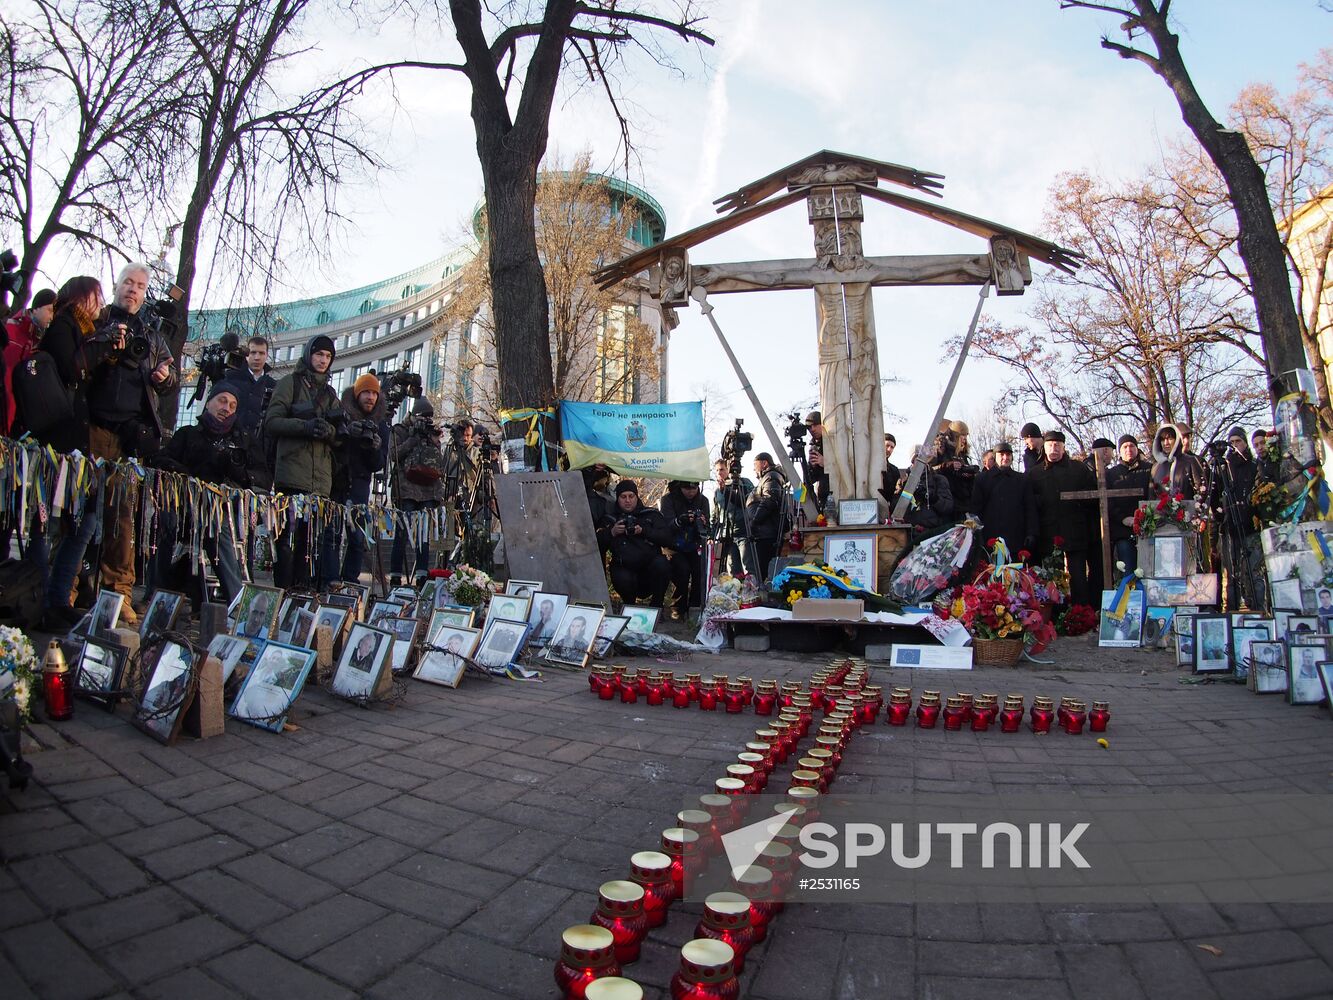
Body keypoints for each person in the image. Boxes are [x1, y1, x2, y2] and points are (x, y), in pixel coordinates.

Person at [86, 262, 179, 625]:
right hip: (93, 428)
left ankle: (119, 594)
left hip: (129, 436)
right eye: (129, 282)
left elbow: (169, 381)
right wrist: (108, 343)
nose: (133, 290)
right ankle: (70, 587)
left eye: (140, 286)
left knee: (122, 519)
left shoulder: (153, 337)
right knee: (81, 512)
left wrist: (164, 377)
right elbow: (82, 363)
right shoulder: (100, 320)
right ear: (117, 285)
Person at [37, 277, 116, 629]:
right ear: (81, 297)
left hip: (79, 444)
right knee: (50, 522)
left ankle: (57, 597)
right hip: (58, 443)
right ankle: (43, 599)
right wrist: (101, 347)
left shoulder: (87, 331)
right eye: (96, 297)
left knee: (84, 523)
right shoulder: (64, 327)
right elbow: (72, 369)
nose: (101, 304)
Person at [150, 383, 252, 601]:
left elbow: (254, 478)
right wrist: (184, 475)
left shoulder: (239, 441)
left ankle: (235, 601)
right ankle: (156, 594)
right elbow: (160, 459)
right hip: (183, 507)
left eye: (233, 405)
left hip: (216, 511)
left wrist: (235, 474)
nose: (227, 408)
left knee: (221, 534)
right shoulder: (187, 434)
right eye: (222, 401)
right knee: (166, 522)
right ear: (208, 403)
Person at [263, 334, 343, 589]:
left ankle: (301, 593)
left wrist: (328, 432)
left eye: (328, 356)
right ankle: (283, 591)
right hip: (291, 475)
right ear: (309, 354)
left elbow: (341, 435)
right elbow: (272, 421)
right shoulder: (291, 383)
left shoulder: (330, 393)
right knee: (285, 541)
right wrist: (305, 427)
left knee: (310, 543)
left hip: (320, 481)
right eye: (319, 354)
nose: (322, 360)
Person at [322, 372, 388, 586]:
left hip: (360, 485)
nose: (370, 397)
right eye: (366, 392)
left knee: (357, 537)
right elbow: (331, 447)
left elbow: (378, 464)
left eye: (374, 393)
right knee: (331, 533)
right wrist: (349, 434)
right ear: (357, 394)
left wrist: (375, 446)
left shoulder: (381, 425)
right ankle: (330, 579)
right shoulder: (342, 414)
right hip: (337, 481)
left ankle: (350, 580)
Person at [1029, 430, 1097, 606]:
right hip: (1049, 532)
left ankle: (1081, 613)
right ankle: (1057, 613)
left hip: (1075, 530)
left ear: (1064, 447)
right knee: (1053, 577)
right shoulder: (1034, 473)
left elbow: (1092, 497)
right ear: (1044, 447)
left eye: (1058, 445)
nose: (1054, 448)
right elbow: (1030, 505)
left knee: (1078, 576)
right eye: (1050, 445)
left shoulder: (1079, 469)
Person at [390, 396, 446, 584]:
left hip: (428, 489)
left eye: (428, 418)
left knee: (424, 534)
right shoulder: (400, 430)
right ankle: (396, 576)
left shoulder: (431, 432)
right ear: (413, 415)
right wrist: (413, 438)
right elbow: (393, 454)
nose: (426, 421)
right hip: (406, 489)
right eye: (422, 417)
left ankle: (422, 575)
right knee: (402, 533)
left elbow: (438, 462)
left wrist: (433, 439)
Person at [597, 480, 672, 606]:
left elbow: (667, 538)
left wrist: (644, 531)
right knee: (620, 575)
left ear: (637, 497)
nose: (627, 500)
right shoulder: (609, 519)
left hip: (649, 570)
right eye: (623, 497)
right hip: (624, 570)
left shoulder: (651, 515)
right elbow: (596, 544)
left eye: (631, 496)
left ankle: (657, 607)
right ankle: (629, 606)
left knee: (662, 564)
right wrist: (612, 532)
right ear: (618, 499)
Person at [3, 287, 56, 435]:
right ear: (36, 308)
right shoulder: (14, 331)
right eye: (50, 310)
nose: (52, 317)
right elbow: (7, 379)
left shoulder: (34, 339)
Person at [969, 442, 1036, 556]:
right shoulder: (982, 479)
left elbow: (1030, 508)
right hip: (990, 538)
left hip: (1016, 537)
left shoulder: (1022, 480)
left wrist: (1032, 533)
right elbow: (976, 509)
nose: (1005, 457)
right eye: (1002, 454)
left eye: (1008, 454)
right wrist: (976, 534)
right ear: (995, 457)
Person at [659, 480, 710, 620]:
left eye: (694, 488)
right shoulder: (668, 499)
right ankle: (677, 607)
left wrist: (702, 523)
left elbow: (707, 527)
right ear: (680, 487)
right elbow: (666, 525)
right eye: (687, 488)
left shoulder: (703, 500)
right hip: (673, 545)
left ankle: (696, 606)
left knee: (700, 570)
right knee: (682, 570)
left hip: (694, 544)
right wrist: (680, 521)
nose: (691, 492)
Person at [1106, 434, 1151, 577]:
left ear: (1137, 449)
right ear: (1120, 451)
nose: (1128, 449)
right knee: (1129, 572)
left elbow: (1153, 495)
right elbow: (1108, 502)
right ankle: (1130, 599)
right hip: (1123, 530)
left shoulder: (1149, 469)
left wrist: (1145, 517)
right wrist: (1123, 518)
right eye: (1125, 447)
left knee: (1148, 571)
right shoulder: (1111, 474)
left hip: (1147, 528)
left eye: (1132, 446)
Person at [746, 453, 788, 582]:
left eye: (755, 464)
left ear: (764, 463)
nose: (754, 469)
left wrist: (755, 520)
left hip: (767, 534)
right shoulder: (768, 478)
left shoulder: (771, 477)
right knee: (761, 571)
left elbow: (770, 500)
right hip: (763, 532)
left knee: (764, 572)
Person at [711, 459, 754, 579]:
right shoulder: (717, 492)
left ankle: (751, 593)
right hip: (727, 535)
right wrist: (711, 535)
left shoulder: (743, 483)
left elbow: (748, 503)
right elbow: (715, 514)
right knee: (733, 572)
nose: (719, 473)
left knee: (748, 569)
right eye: (717, 470)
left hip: (743, 532)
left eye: (722, 469)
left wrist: (728, 491)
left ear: (728, 469)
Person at [931, 419, 978, 518]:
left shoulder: (962, 454)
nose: (965, 439)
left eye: (966, 436)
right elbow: (929, 471)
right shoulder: (940, 450)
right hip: (946, 500)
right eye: (962, 435)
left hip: (963, 501)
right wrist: (947, 466)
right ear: (955, 435)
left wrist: (969, 475)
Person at [905, 446, 954, 536]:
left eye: (922, 460)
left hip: (933, 532)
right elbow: (896, 509)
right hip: (909, 532)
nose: (919, 464)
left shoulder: (938, 480)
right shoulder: (904, 481)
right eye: (915, 460)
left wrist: (933, 498)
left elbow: (948, 507)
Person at [1151, 422, 1207, 500]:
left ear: (1177, 439)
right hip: (1161, 511)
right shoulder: (1155, 467)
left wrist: (1195, 509)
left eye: (1170, 439)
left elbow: (1202, 491)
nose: (1166, 443)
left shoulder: (1190, 461)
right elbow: (1151, 495)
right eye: (1163, 440)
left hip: (1187, 510)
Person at [803, 411, 830, 511]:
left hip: (838, 496)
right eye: (809, 427)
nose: (812, 429)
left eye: (815, 425)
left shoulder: (834, 442)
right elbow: (810, 480)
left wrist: (826, 463)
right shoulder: (813, 447)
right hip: (823, 498)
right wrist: (812, 467)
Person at [880, 433, 901, 502]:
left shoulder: (894, 471)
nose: (889, 449)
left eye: (892, 447)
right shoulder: (866, 467)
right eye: (887, 445)